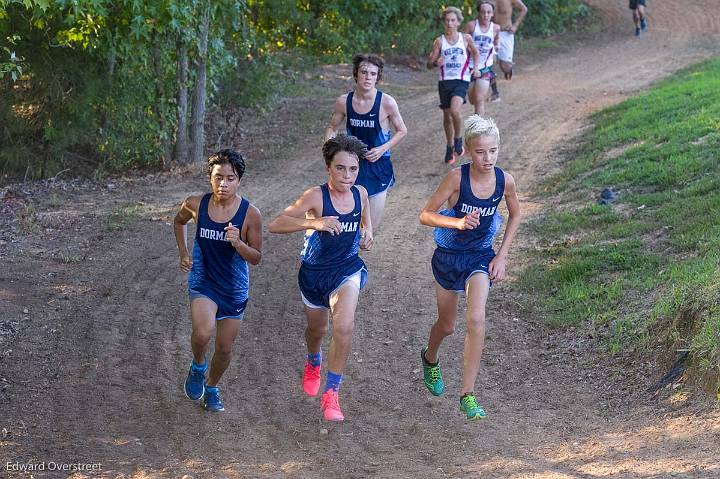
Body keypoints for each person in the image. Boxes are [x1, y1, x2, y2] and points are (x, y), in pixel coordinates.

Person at [418, 115, 521, 421]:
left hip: (479, 256)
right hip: (448, 257)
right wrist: (457, 222)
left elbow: (515, 215)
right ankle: (430, 357)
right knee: (447, 326)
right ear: (468, 150)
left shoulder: (505, 180)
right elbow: (425, 215)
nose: (487, 158)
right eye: (480, 151)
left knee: (476, 318)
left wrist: (501, 256)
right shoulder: (455, 179)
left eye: (493, 151)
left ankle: (468, 394)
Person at [268, 134, 373, 422]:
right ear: (328, 167)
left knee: (345, 325)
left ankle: (332, 394)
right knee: (317, 331)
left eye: (353, 169)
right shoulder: (315, 196)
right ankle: (314, 360)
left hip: (347, 269)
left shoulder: (361, 194)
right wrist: (315, 222)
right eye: (340, 168)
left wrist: (368, 232)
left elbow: (365, 220)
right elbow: (276, 224)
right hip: (313, 275)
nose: (347, 176)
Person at [174, 149, 262, 412]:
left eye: (230, 178)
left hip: (234, 287)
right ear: (210, 178)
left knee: (224, 349)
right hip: (203, 280)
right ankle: (198, 365)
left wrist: (238, 244)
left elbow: (256, 257)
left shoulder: (250, 214)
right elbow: (179, 223)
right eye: (218, 177)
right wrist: (184, 253)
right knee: (202, 333)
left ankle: (212, 387)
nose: (223, 184)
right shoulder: (195, 204)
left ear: (239, 180)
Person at [326, 54, 408, 232]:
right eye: (364, 72)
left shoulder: (386, 102)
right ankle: (346, 258)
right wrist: (329, 152)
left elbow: (402, 130)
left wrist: (382, 148)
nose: (368, 77)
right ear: (356, 74)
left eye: (373, 73)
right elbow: (332, 127)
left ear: (378, 77)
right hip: (352, 167)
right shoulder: (344, 102)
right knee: (347, 225)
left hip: (379, 167)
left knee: (370, 228)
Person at [427, 7, 480, 165]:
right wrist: (436, 62)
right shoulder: (439, 41)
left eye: (453, 20)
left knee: (455, 111)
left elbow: (476, 53)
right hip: (444, 81)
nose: (450, 23)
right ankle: (450, 146)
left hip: (461, 79)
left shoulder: (466, 38)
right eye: (447, 20)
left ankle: (458, 139)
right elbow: (429, 64)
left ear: (458, 22)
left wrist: (475, 68)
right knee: (447, 115)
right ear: (444, 22)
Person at [464, 1, 500, 116]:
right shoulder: (471, 26)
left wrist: (497, 46)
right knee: (472, 100)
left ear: (492, 14)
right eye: (483, 12)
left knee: (479, 99)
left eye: (488, 12)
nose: (485, 15)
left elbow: (496, 40)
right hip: (469, 67)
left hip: (485, 67)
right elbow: (460, 42)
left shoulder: (496, 28)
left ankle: (478, 128)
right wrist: (469, 49)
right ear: (479, 13)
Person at [489, 0, 528, 100]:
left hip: (505, 33)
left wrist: (515, 25)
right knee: (490, 63)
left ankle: (508, 69)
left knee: (505, 67)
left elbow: (524, 9)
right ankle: (495, 92)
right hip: (490, 34)